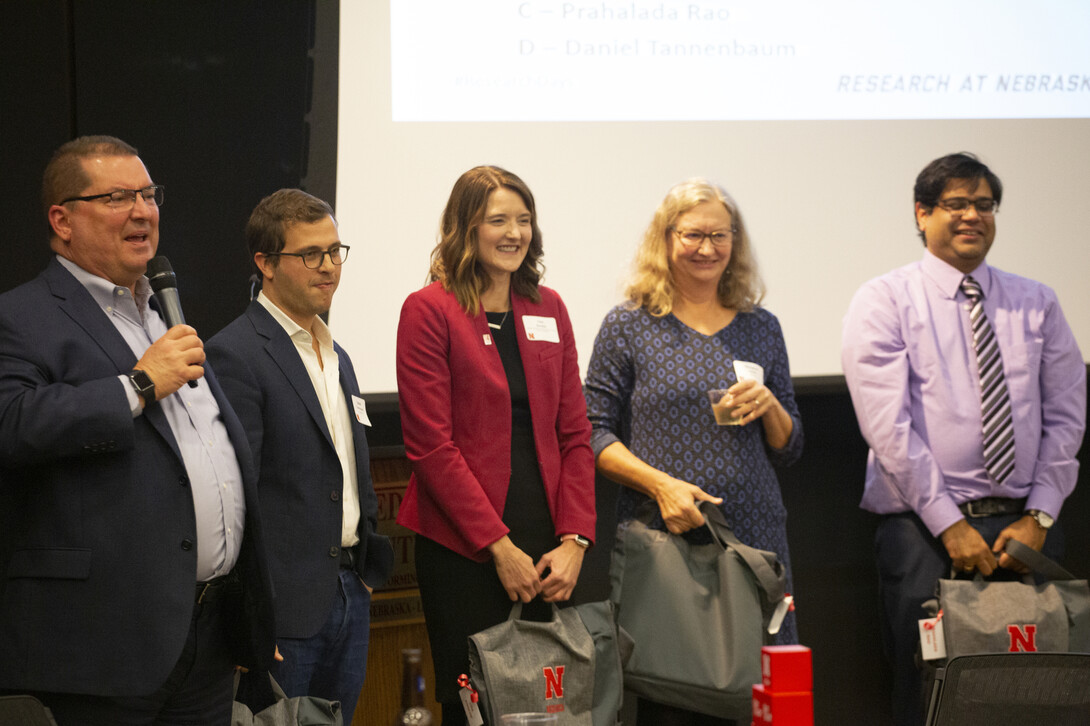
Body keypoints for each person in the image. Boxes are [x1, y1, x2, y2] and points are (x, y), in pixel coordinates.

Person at [0, 135, 276, 724]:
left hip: (206, 636)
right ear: (62, 218)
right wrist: (138, 386)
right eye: (119, 197)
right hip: (104, 641)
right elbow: (12, 424)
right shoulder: (21, 317)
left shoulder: (162, 309)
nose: (143, 211)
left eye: (148, 195)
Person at [841, 152, 1086, 726]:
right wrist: (950, 525)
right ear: (922, 214)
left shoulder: (1038, 301)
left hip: (1028, 529)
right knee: (927, 691)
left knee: (1042, 692)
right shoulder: (885, 299)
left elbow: (1067, 415)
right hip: (924, 535)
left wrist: (1042, 517)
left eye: (983, 204)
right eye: (956, 204)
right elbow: (887, 426)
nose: (972, 215)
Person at [583, 178, 804, 726]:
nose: (708, 248)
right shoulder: (629, 325)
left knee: (764, 700)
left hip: (756, 541)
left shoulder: (761, 327)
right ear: (666, 239)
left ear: (736, 243)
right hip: (669, 537)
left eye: (720, 236)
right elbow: (592, 433)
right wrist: (661, 486)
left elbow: (791, 446)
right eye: (693, 235)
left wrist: (771, 406)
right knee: (675, 696)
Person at [395, 166, 596, 725]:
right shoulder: (430, 310)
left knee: (554, 707)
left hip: (552, 548)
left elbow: (576, 435)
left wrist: (576, 539)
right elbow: (431, 448)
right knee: (478, 708)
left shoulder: (548, 307)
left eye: (524, 219)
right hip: (467, 550)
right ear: (466, 228)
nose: (514, 232)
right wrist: (499, 548)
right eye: (498, 220)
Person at [205, 189, 394, 724]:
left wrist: (363, 571)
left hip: (348, 592)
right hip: (283, 609)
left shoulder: (339, 354)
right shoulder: (237, 353)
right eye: (310, 254)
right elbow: (236, 494)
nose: (329, 267)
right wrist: (252, 618)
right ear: (265, 264)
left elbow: (352, 468)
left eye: (336, 251)